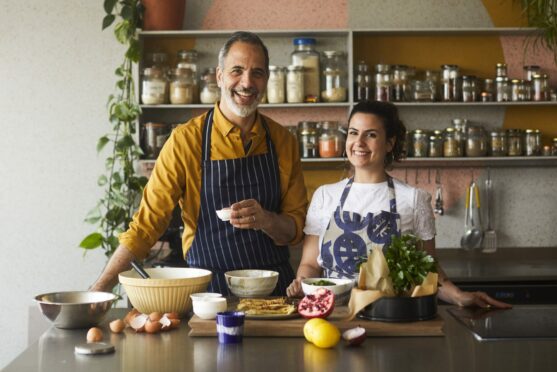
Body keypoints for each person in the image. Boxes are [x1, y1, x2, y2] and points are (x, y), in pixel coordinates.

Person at [90, 31, 308, 295]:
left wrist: (266, 220)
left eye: (257, 73)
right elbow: (145, 228)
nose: (247, 82)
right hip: (209, 291)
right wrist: (100, 290)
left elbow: (294, 230)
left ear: (266, 80)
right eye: (236, 71)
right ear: (219, 76)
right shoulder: (186, 141)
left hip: (274, 290)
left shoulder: (283, 141)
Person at [286, 100, 511, 309]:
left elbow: (427, 270)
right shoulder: (325, 196)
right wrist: (301, 282)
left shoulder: (413, 199)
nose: (359, 142)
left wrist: (459, 296)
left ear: (390, 143)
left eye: (371, 134)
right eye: (353, 132)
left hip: (391, 314)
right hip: (332, 313)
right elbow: (310, 265)